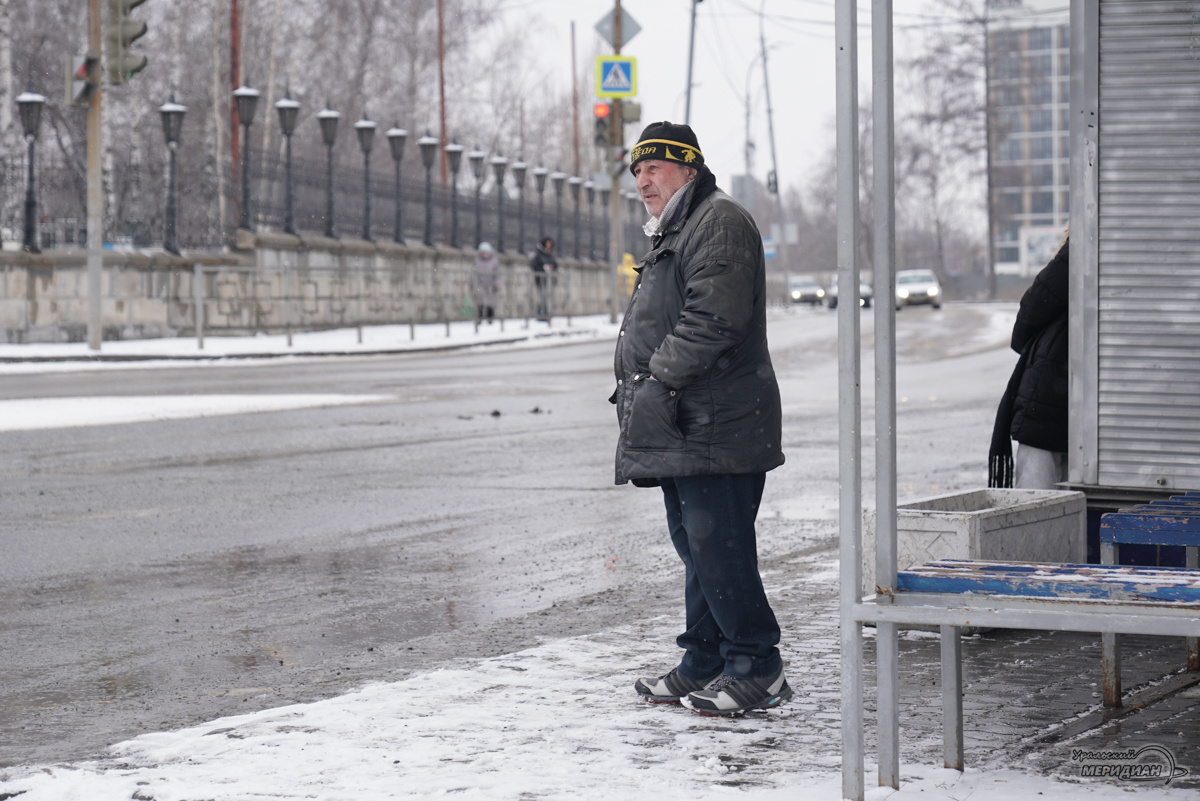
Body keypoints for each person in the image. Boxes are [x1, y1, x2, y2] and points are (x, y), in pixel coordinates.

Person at [611, 121, 790, 716]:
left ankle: (757, 666)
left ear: (688, 168)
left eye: (654, 168)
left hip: (719, 421)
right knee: (698, 548)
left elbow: (714, 319)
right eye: (637, 171)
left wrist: (657, 378)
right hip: (687, 421)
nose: (643, 181)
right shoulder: (679, 227)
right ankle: (707, 659)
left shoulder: (719, 222)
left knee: (721, 548)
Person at [989, 232, 1069, 489]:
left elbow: (1029, 315)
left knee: (1036, 502)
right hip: (1064, 408)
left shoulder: (1076, 253)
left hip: (1048, 405)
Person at [471, 242, 501, 324]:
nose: (485, 255)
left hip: (490, 285)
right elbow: (474, 273)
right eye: (483, 253)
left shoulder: (494, 261)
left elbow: (497, 274)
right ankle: (479, 318)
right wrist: (472, 285)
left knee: (490, 303)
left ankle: (490, 319)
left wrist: (497, 284)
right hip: (480, 284)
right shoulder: (477, 260)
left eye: (486, 253)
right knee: (479, 302)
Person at [529, 236, 557, 322]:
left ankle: (547, 315)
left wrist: (552, 268)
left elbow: (555, 265)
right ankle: (541, 315)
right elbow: (534, 266)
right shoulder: (539, 255)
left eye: (550, 244)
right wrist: (544, 267)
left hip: (550, 281)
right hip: (541, 281)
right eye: (547, 244)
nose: (548, 246)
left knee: (549, 299)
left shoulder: (550, 255)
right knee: (542, 299)